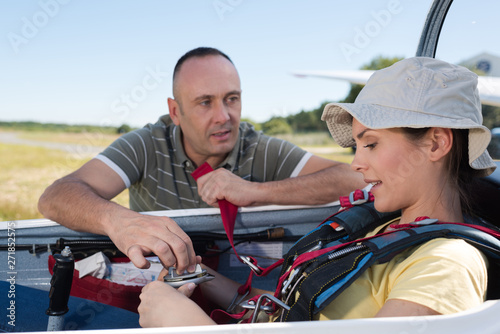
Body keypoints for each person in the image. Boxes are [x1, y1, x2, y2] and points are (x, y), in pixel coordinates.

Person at [137, 56, 497, 327]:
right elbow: (300, 308)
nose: (356, 164)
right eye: (356, 147)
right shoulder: (385, 231)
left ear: (435, 143)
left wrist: (187, 325)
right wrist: (205, 280)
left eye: (370, 144)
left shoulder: (446, 265)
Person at [38, 47, 365, 273]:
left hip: (236, 282)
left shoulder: (258, 146)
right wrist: (119, 221)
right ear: (175, 111)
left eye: (231, 99)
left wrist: (257, 192)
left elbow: (356, 177)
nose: (224, 117)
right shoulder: (147, 144)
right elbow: (55, 196)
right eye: (205, 102)